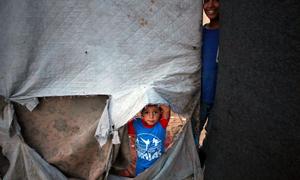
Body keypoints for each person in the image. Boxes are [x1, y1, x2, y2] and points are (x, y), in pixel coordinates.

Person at [194, 0, 220, 167]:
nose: (210, 5)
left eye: (216, 0)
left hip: (221, 100)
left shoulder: (230, 34)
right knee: (193, 133)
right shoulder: (202, 32)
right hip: (202, 96)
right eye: (206, 0)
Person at [128, 104, 170, 176]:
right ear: (142, 114)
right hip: (141, 166)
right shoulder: (136, 124)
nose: (151, 116)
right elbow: (126, 119)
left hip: (158, 166)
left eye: (155, 112)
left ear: (160, 113)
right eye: (147, 112)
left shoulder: (161, 124)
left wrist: (154, 100)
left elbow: (166, 109)